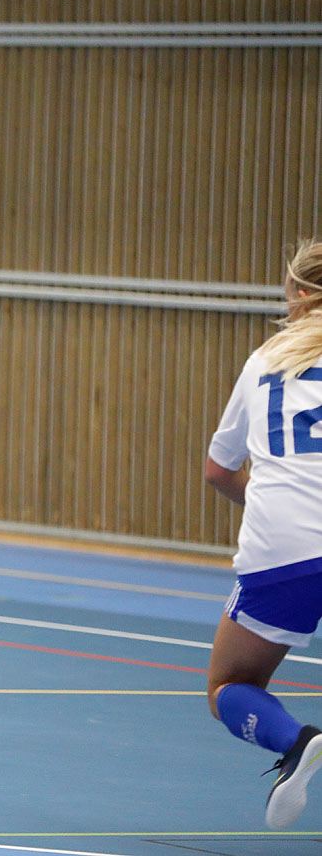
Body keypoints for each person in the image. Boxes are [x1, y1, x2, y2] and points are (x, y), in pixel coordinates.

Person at [205, 238, 322, 829]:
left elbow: (217, 469)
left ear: (299, 295)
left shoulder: (265, 360)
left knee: (230, 684)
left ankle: (298, 742)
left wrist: (275, 506)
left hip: (282, 549)